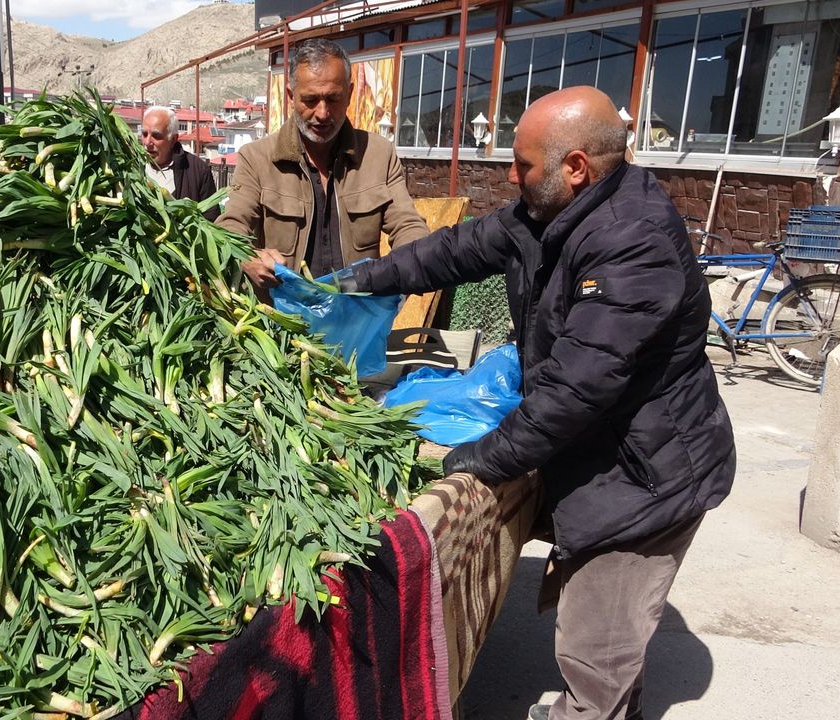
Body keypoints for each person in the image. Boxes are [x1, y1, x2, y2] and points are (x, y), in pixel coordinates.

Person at [337, 86, 736, 720]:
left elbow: (575, 392)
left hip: (644, 479)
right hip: (607, 452)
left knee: (595, 653)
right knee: (607, 647)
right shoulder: (546, 213)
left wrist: (476, 459)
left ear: (575, 166)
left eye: (522, 163)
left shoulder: (634, 244)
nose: (509, 176)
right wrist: (351, 283)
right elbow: (453, 250)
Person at [217, 39, 426, 294]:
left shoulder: (379, 155)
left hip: (356, 312)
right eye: (310, 100)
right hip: (283, 316)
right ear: (291, 97)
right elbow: (231, 227)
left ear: (349, 94)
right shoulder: (256, 159)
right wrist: (248, 257)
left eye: (333, 99)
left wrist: (419, 257)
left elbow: (407, 224)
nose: (323, 113)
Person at [139, 105, 218, 220]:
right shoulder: (132, 167)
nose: (147, 142)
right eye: (144, 134)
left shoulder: (198, 170)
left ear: (173, 139)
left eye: (156, 136)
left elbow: (211, 219)